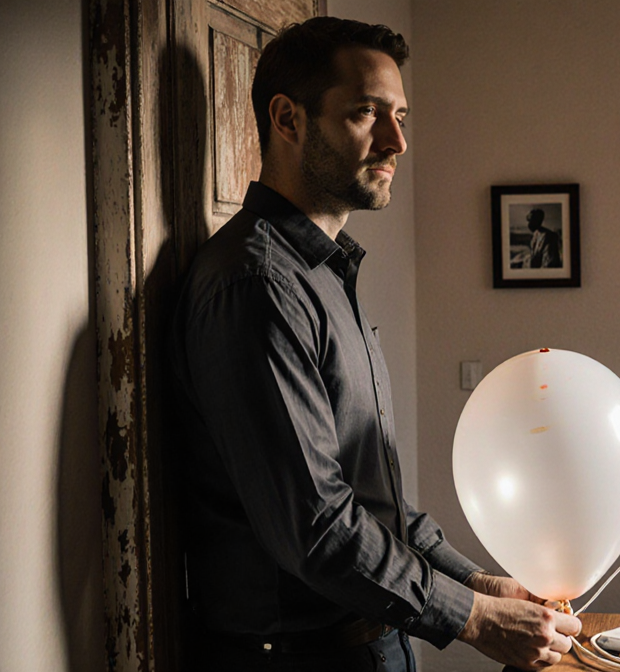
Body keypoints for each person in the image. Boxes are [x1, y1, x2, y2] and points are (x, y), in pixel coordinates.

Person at [168, 17, 580, 672]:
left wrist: (477, 585)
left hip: (374, 643)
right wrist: (474, 620)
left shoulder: (327, 274)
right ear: (287, 118)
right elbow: (319, 528)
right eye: (367, 113)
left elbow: (374, 502)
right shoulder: (257, 287)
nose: (398, 142)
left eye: (401, 116)